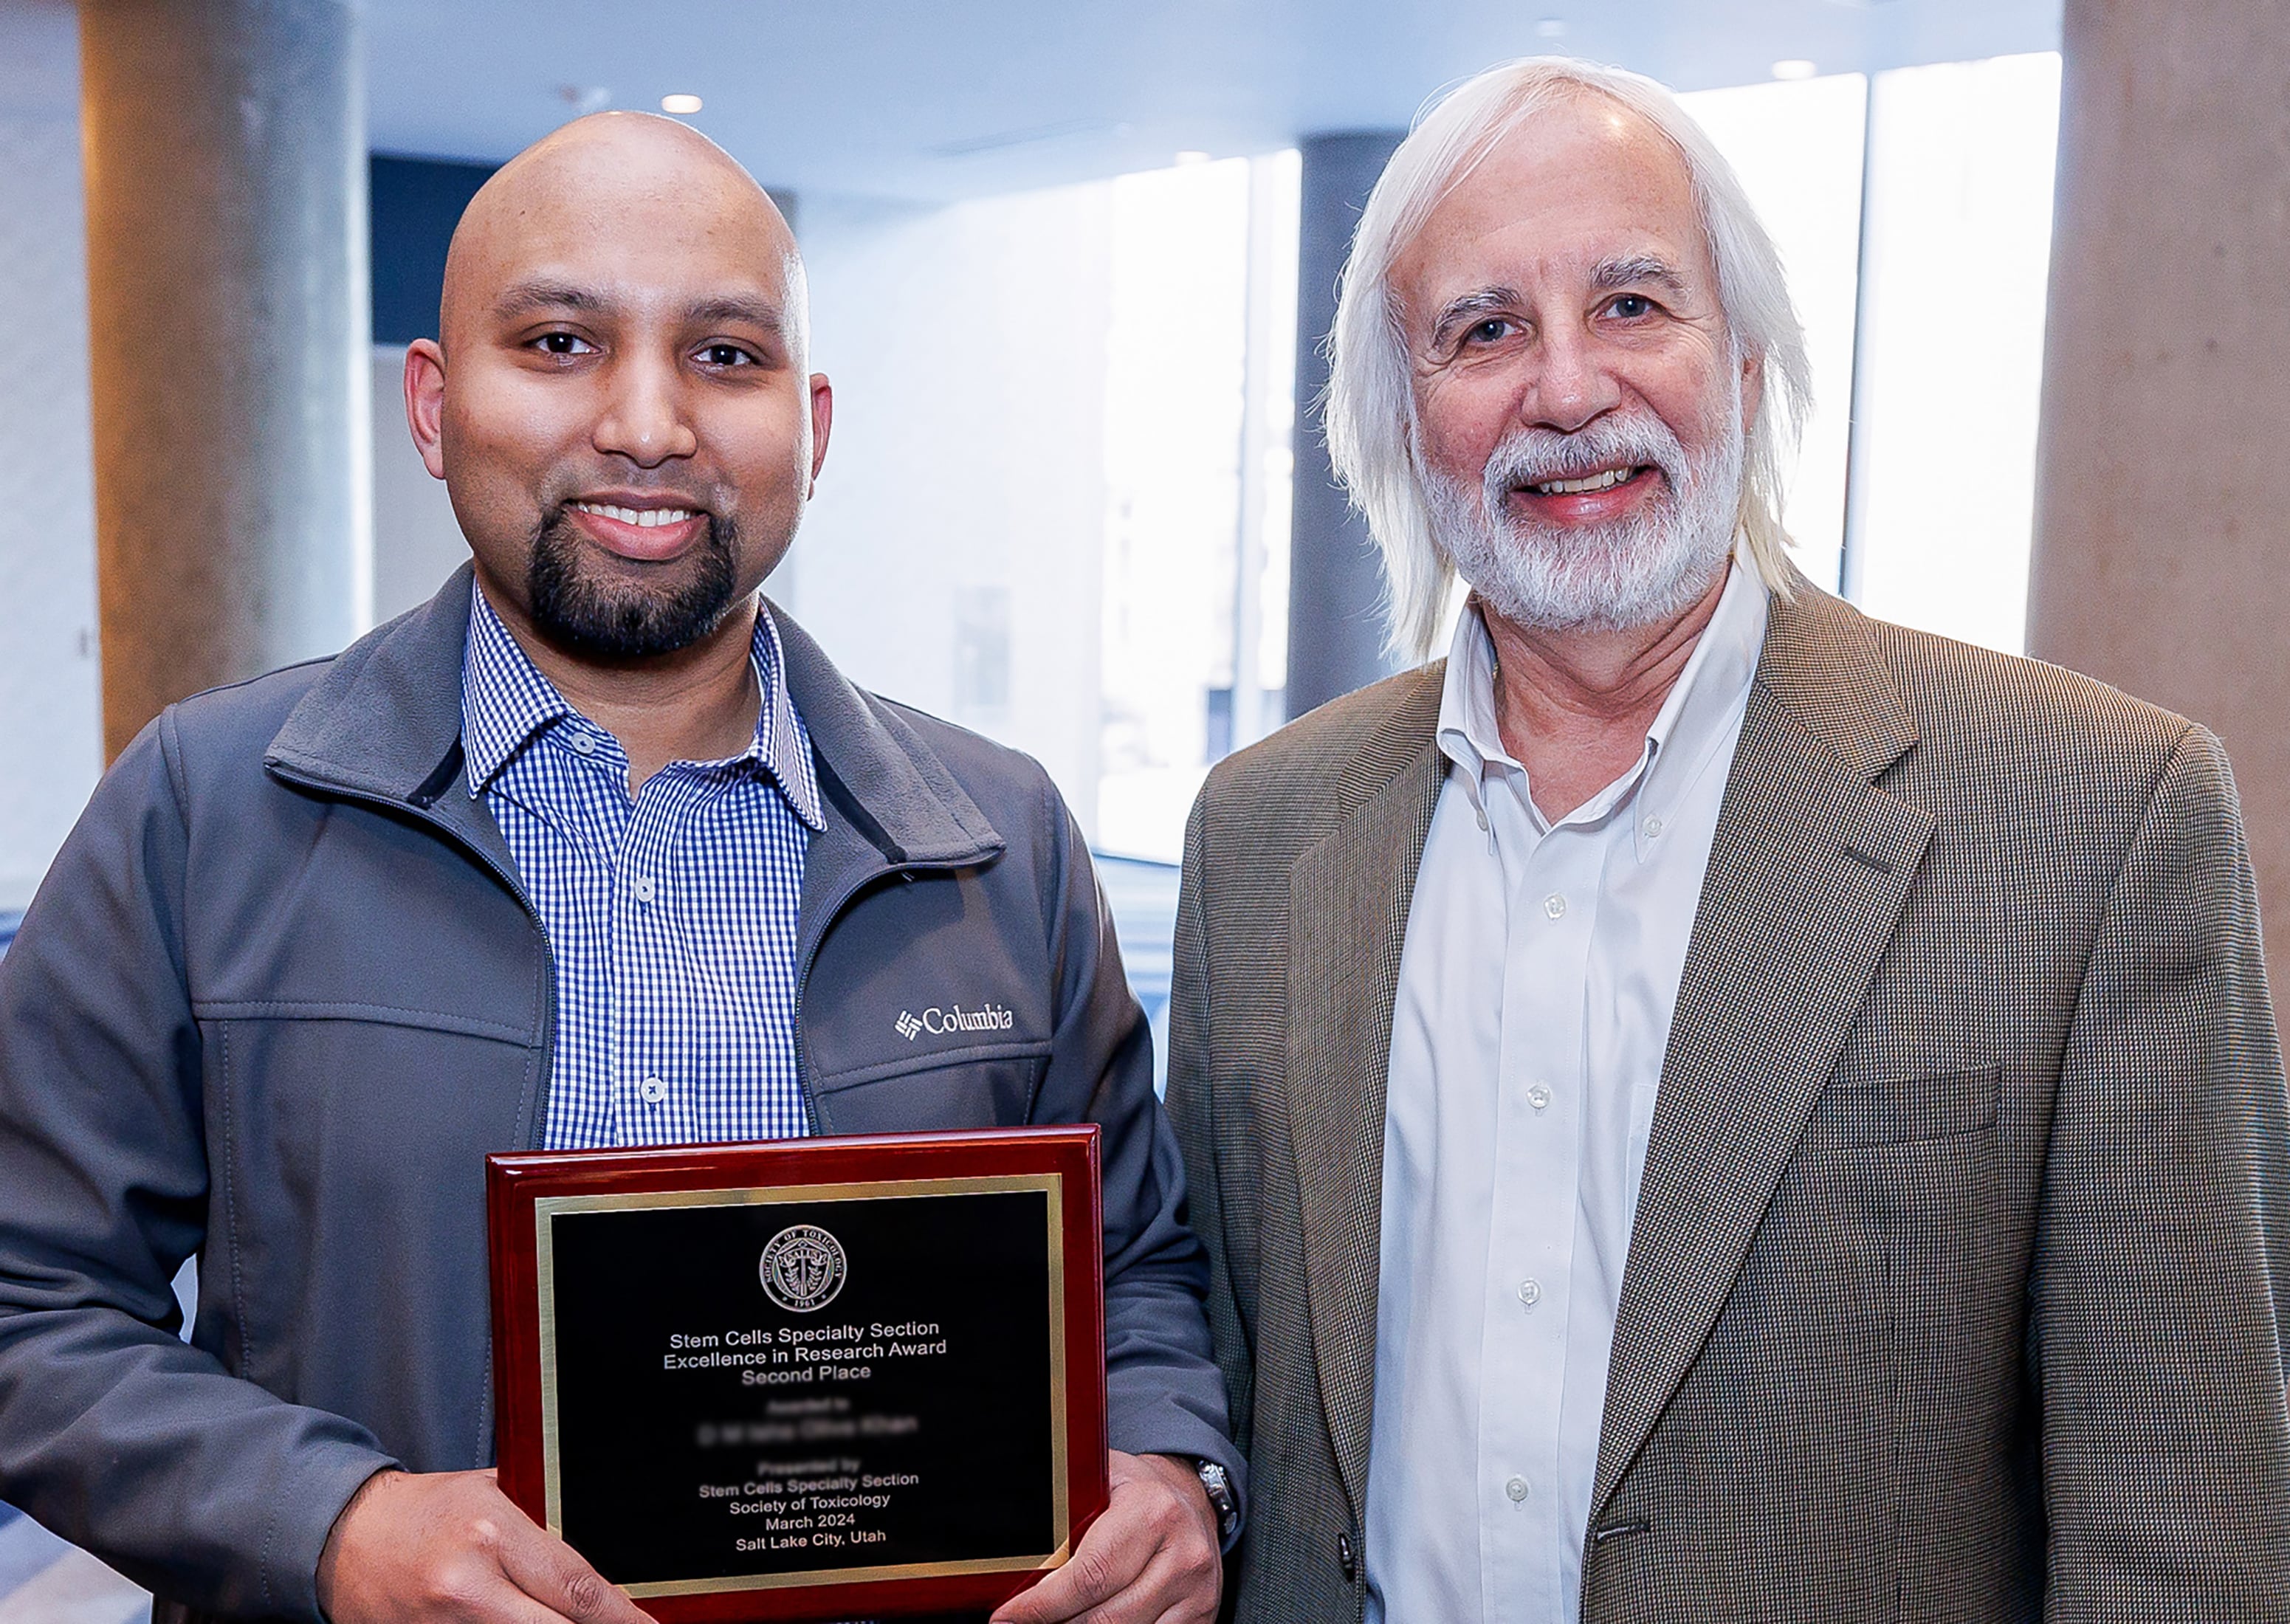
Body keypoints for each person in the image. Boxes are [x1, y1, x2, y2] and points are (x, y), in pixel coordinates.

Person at [0, 114, 1229, 1624]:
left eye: (726, 356)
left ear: (814, 426)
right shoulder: (208, 808)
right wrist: (331, 1523)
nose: (650, 423)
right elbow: (28, 1301)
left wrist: (1174, 1467)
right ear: (436, 408)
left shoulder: (1001, 842)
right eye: (562, 339)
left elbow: (1138, 1274)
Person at [1166, 55, 2290, 1624]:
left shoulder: (2097, 815)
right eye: (1485, 330)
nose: (1567, 390)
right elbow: (1221, 1374)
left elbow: (2184, 1534)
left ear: (1749, 365)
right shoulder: (1263, 836)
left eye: (1633, 305)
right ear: (1399, 422)